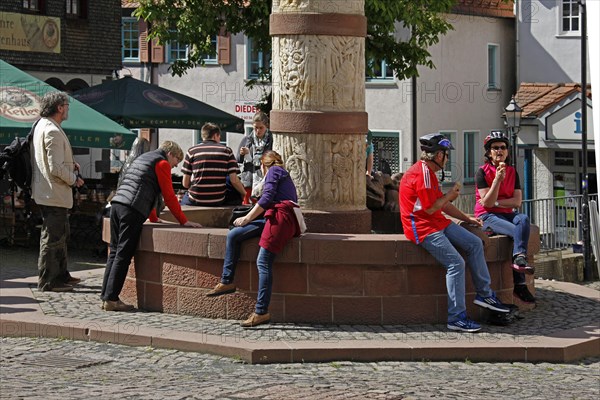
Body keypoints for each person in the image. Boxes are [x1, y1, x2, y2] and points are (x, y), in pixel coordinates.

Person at [399, 133, 509, 333]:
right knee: (456, 263)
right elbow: (432, 208)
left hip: (436, 222)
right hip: (421, 227)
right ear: (439, 155)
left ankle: (485, 295)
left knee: (475, 243)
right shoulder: (422, 175)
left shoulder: (429, 172)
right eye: (446, 154)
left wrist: (468, 219)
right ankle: (456, 317)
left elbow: (442, 206)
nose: (448, 158)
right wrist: (450, 195)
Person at [102, 141, 202, 311]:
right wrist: (183, 221)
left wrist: (154, 218)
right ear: (171, 154)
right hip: (132, 209)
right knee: (123, 255)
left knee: (114, 252)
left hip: (117, 204)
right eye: (175, 163)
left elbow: (146, 189)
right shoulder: (161, 163)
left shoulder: (144, 158)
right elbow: (168, 195)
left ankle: (105, 296)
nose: (173, 167)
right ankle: (112, 299)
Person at [206, 150, 300, 328]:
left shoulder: (275, 171)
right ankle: (227, 281)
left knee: (263, 262)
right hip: (272, 217)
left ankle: (261, 311)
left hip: (280, 219)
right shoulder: (278, 172)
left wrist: (247, 218)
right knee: (234, 235)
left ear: (264, 165)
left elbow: (267, 197)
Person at [31, 92, 85, 292]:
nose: (68, 108)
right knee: (53, 238)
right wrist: (74, 179)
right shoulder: (51, 129)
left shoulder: (41, 125)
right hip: (53, 193)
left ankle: (61, 275)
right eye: (66, 105)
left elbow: (53, 160)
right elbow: (54, 167)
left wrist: (71, 164)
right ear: (60, 107)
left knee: (60, 235)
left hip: (49, 192)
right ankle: (49, 281)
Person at [475, 131, 535, 304]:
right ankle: (520, 284)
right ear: (488, 152)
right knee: (517, 231)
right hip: (487, 215)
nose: (499, 150)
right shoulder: (482, 172)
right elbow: (486, 203)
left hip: (507, 214)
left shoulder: (512, 172)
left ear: (507, 151)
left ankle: (519, 257)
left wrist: (497, 203)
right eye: (495, 148)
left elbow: (517, 202)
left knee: (523, 219)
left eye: (503, 147)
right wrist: (497, 181)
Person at [180, 122, 246, 206]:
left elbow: (185, 184)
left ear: (203, 136)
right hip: (218, 199)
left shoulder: (192, 151)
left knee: (183, 200)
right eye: (219, 136)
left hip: (195, 199)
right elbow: (234, 180)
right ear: (215, 135)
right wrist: (243, 193)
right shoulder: (226, 151)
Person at [237, 111, 273, 204]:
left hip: (264, 179)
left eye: (261, 128)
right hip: (248, 179)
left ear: (267, 126)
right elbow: (238, 160)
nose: (258, 131)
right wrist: (242, 154)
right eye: (255, 127)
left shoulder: (271, 140)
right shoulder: (247, 140)